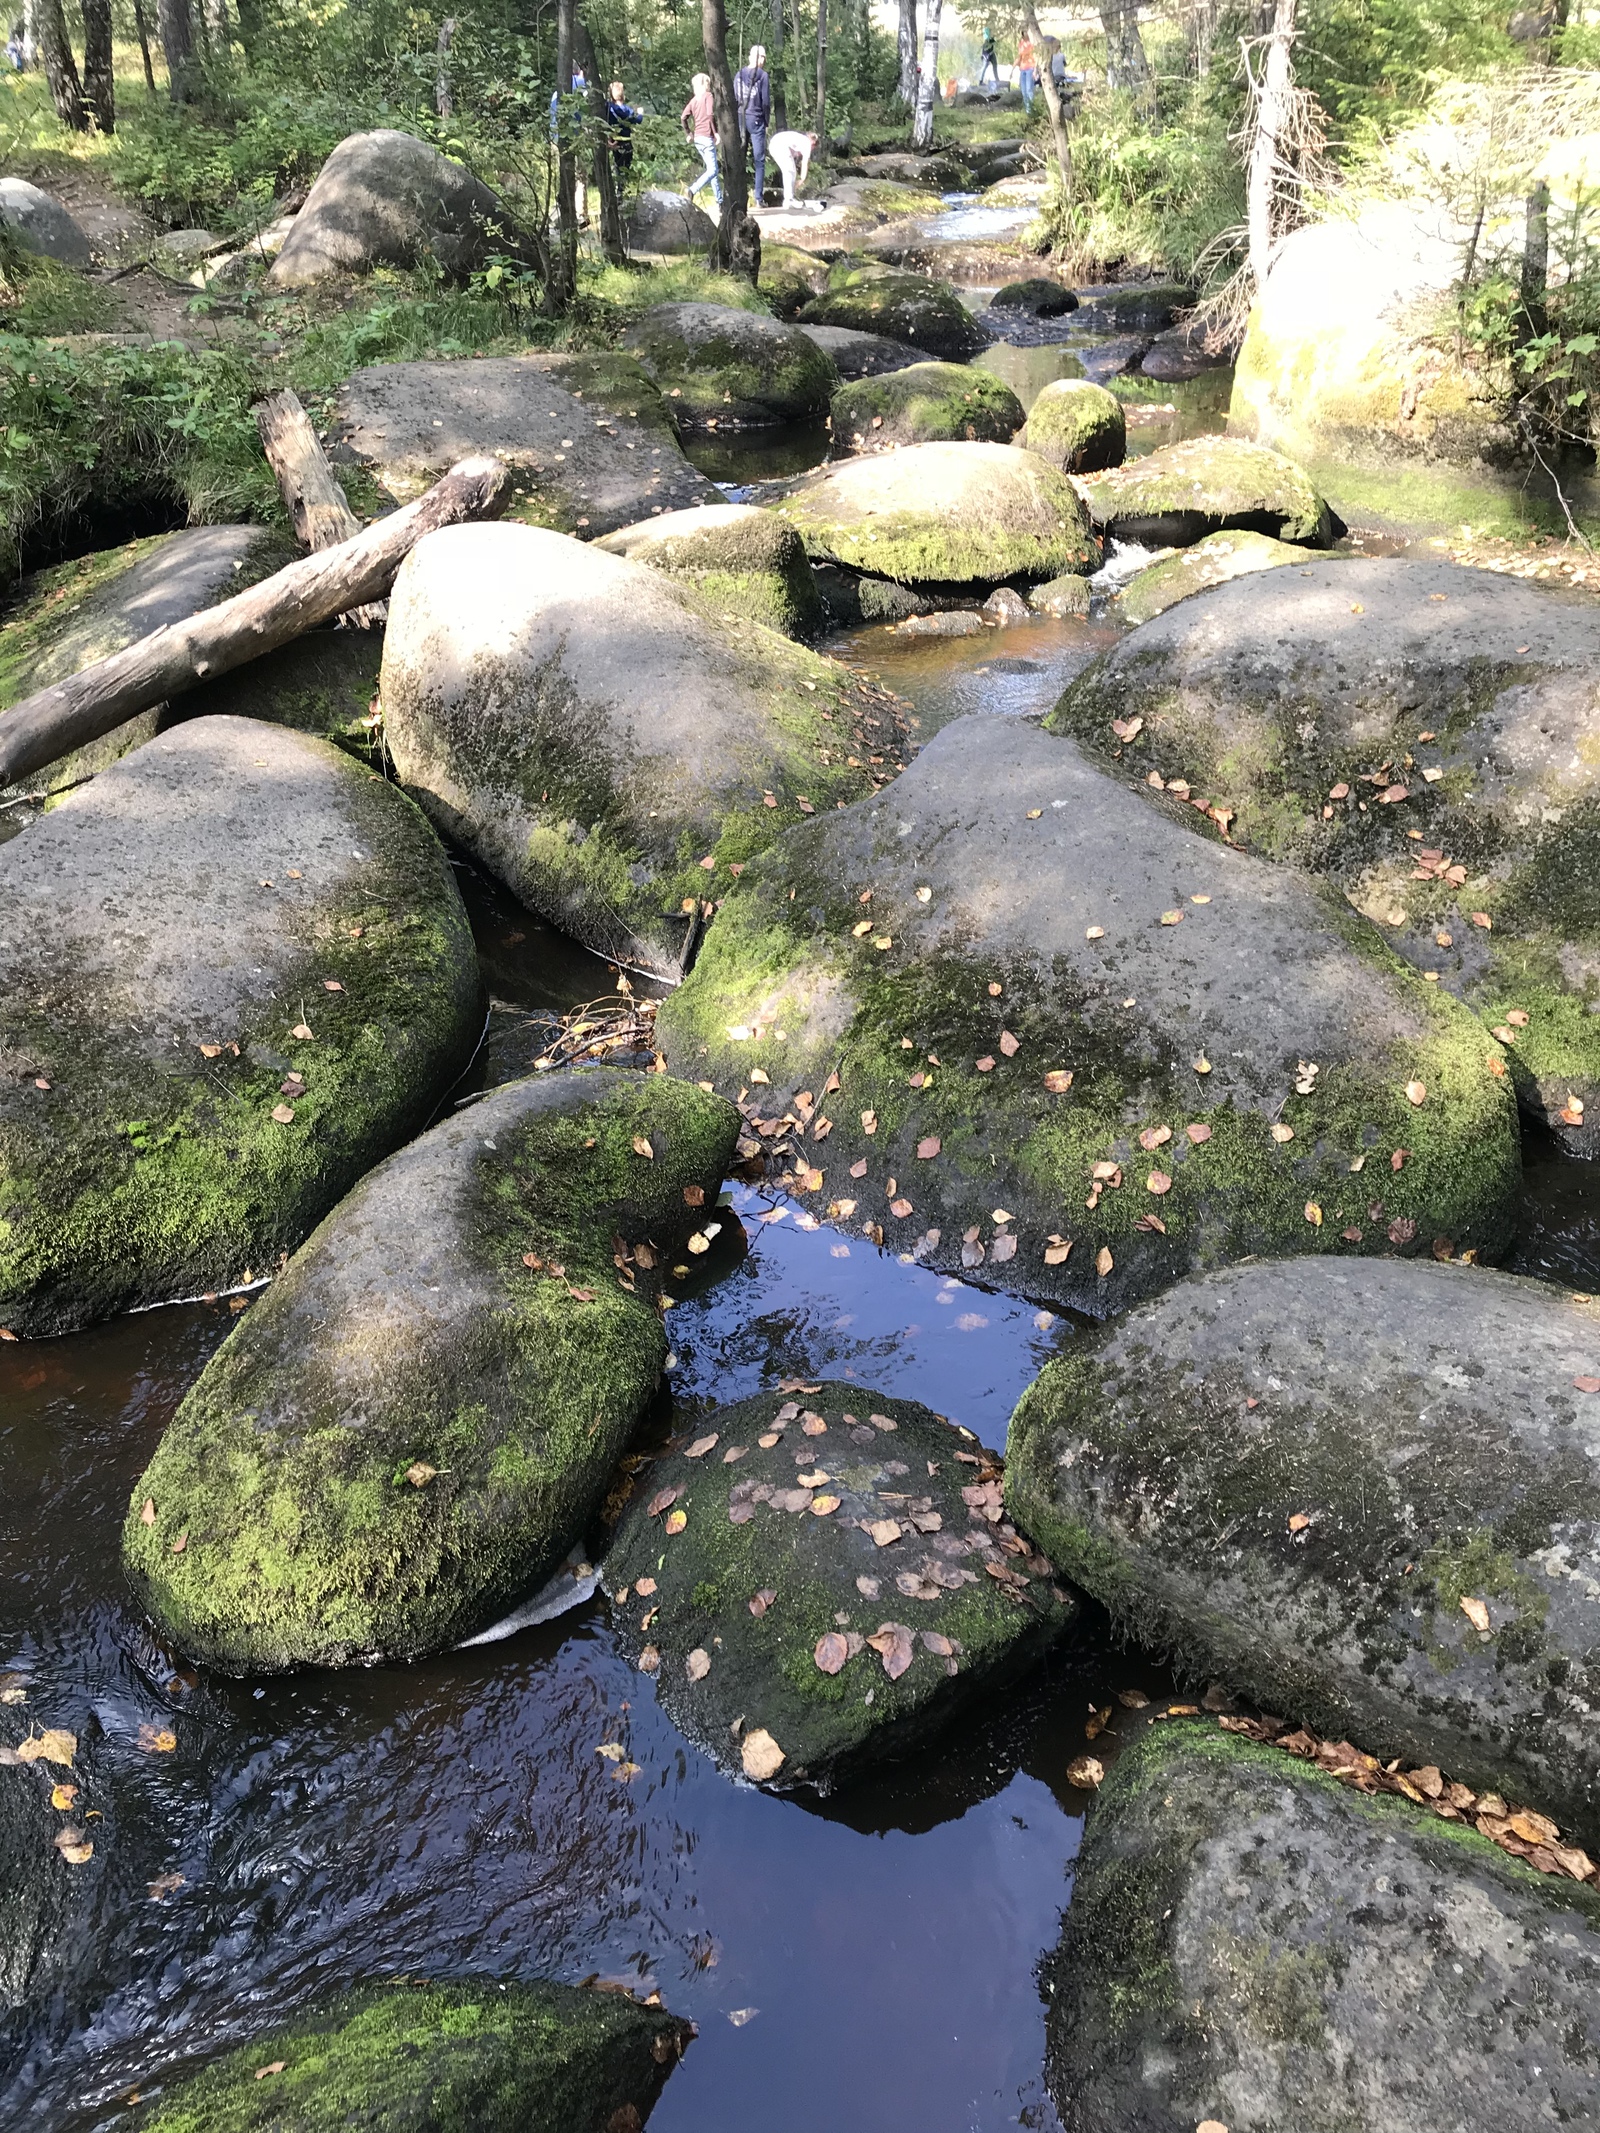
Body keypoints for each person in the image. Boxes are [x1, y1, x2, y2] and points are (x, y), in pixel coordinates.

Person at [734, 44, 772, 206]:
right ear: (758, 58)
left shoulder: (739, 74)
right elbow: (765, 102)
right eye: (762, 57)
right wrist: (767, 121)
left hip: (741, 116)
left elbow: (736, 95)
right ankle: (758, 198)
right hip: (756, 118)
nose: (763, 60)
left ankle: (737, 195)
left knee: (740, 156)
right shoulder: (763, 76)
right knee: (759, 160)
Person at [682, 71, 720, 207]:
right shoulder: (708, 96)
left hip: (698, 139)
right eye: (708, 83)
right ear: (704, 84)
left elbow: (683, 117)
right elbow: (710, 114)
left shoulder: (693, 101)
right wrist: (715, 133)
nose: (709, 86)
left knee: (712, 168)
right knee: (713, 170)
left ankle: (719, 201)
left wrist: (689, 134)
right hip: (707, 137)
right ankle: (692, 189)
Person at [768, 127, 816, 208]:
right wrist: (802, 179)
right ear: (813, 143)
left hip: (773, 144)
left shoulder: (800, 139)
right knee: (789, 171)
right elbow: (805, 162)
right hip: (780, 145)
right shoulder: (807, 143)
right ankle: (788, 199)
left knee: (790, 171)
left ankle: (790, 198)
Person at [605, 81, 643, 180]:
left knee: (618, 168)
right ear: (622, 95)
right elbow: (638, 120)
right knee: (626, 169)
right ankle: (623, 190)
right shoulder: (627, 110)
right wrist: (640, 113)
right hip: (626, 142)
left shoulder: (608, 108)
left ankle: (619, 190)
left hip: (614, 142)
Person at [1016, 30, 1036, 110]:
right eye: (1023, 32)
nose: (1025, 34)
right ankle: (1027, 109)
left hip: (1030, 68)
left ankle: (1031, 109)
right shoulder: (1021, 43)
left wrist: (1035, 70)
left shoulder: (1032, 43)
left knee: (1029, 90)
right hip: (1022, 68)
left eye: (1026, 32)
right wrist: (1014, 68)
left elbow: (1036, 57)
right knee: (1023, 91)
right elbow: (1020, 57)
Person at [977, 22, 1000, 90]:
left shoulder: (991, 34)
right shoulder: (985, 39)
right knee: (984, 67)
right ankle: (981, 81)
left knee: (995, 65)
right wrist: (984, 56)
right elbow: (984, 49)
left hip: (991, 53)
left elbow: (994, 43)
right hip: (986, 54)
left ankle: (997, 79)